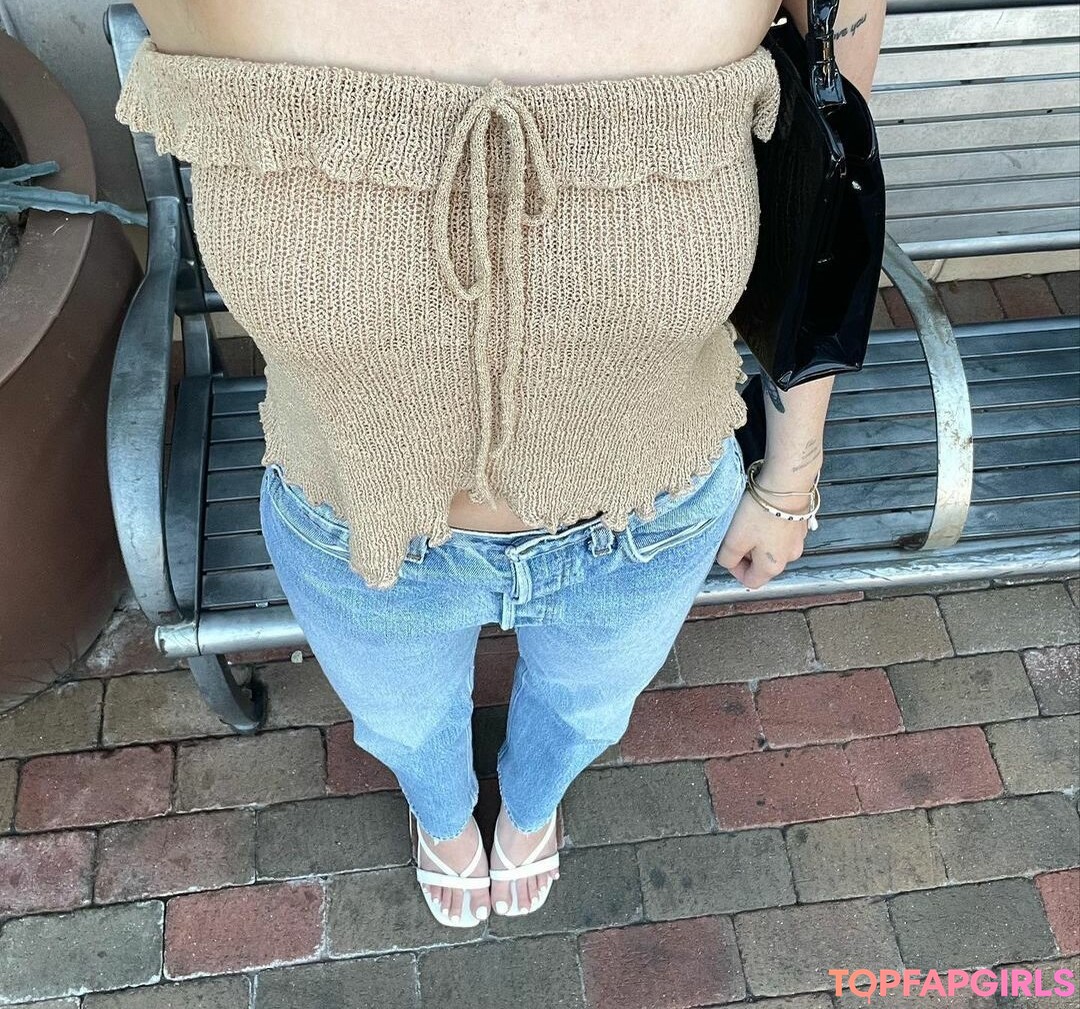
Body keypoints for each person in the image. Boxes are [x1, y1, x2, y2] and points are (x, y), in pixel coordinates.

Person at [117, 0, 885, 928]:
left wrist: (791, 475)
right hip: (355, 514)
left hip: (647, 508)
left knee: (587, 709)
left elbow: (827, 199)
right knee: (401, 724)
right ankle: (442, 815)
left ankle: (530, 801)